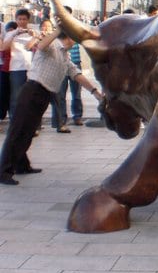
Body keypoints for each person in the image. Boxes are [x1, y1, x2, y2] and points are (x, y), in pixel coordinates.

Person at [0, 24, 104, 185]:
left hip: (43, 94)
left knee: (27, 131)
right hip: (32, 91)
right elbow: (40, 46)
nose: (75, 43)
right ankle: (3, 172)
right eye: (73, 39)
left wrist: (96, 92)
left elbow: (76, 74)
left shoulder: (65, 56)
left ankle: (21, 165)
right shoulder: (53, 46)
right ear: (67, 38)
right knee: (18, 130)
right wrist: (57, 30)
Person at [1, 9, 37, 120]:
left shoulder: (34, 33)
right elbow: (3, 47)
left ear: (28, 19)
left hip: (32, 69)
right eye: (19, 19)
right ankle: (14, 122)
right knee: (16, 97)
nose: (22, 21)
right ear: (16, 19)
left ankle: (33, 125)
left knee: (33, 97)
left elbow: (39, 47)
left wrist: (35, 36)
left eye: (24, 19)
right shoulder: (11, 33)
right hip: (16, 69)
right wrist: (14, 34)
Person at [0, 21, 16, 122]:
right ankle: (2, 115)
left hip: (14, 70)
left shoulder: (17, 40)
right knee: (3, 94)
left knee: (13, 94)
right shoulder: (4, 40)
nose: (10, 32)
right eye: (8, 31)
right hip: (4, 70)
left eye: (12, 30)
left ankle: (12, 115)